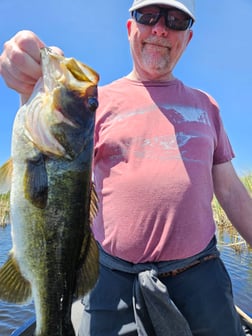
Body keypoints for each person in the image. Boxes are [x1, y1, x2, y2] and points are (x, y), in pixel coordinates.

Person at [0, 0, 252, 335]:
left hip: (199, 275)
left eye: (176, 20)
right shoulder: (96, 103)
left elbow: (231, 189)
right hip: (111, 278)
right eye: (148, 16)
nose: (160, 28)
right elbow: (54, 177)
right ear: (131, 28)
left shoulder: (208, 106)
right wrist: (28, 81)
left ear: (187, 38)